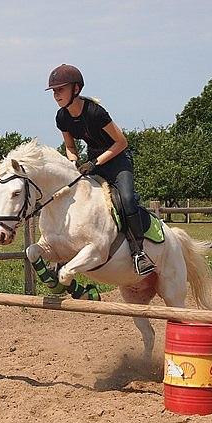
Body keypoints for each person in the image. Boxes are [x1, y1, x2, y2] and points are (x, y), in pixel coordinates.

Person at [46, 63, 155, 275]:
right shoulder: (62, 117)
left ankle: (138, 252)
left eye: (61, 89)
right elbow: (70, 146)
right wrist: (74, 162)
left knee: (127, 199)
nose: (56, 94)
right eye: (54, 91)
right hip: (91, 161)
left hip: (117, 161)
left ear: (76, 89)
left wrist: (94, 163)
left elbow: (121, 142)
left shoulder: (95, 112)